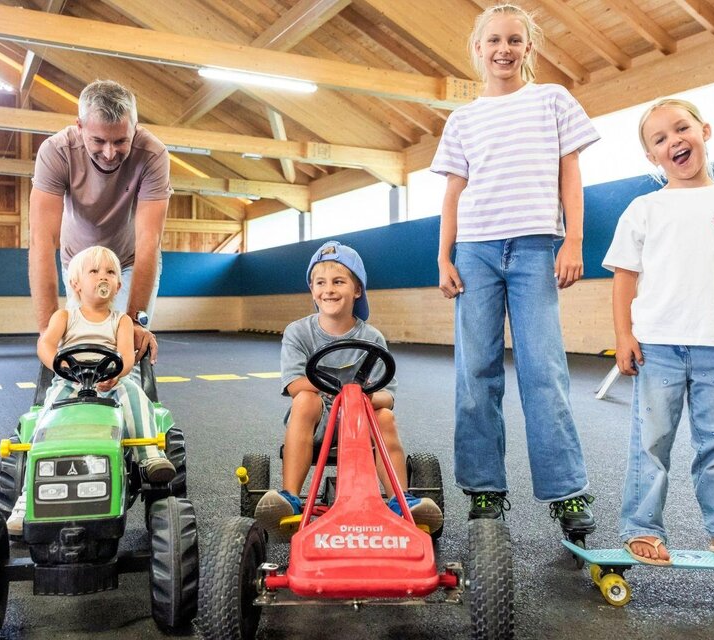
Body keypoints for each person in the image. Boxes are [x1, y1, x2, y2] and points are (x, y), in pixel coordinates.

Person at [430, 3, 598, 532]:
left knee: (543, 372)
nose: (504, 49)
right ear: (477, 50)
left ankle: (567, 492)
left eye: (514, 41)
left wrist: (572, 239)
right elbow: (453, 192)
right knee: (475, 373)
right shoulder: (463, 119)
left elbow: (571, 173)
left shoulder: (552, 100)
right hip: (475, 252)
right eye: (493, 41)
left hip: (534, 250)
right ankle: (483, 489)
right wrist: (444, 256)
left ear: (529, 47)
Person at [603, 98, 714, 567]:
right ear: (651, 157)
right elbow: (623, 276)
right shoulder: (644, 208)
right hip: (657, 345)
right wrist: (624, 335)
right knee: (651, 441)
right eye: (659, 138)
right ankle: (641, 527)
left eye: (681, 129)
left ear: (705, 130)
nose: (673, 140)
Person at [254, 241, 443, 540]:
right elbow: (293, 384)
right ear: (312, 290)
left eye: (338, 282)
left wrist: (362, 397)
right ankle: (290, 495)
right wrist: (340, 390)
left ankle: (400, 498)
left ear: (357, 290)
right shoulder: (298, 332)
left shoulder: (372, 337)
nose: (328, 290)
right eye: (320, 283)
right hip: (319, 421)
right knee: (305, 399)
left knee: (385, 418)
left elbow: (387, 397)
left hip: (362, 418)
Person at [7, 246, 176, 535]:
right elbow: (45, 345)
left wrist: (117, 374)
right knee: (43, 419)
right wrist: (59, 367)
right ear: (76, 283)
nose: (104, 277)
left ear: (118, 285)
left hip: (110, 382)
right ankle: (25, 499)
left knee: (135, 395)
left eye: (110, 272)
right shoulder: (65, 317)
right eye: (95, 271)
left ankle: (149, 456)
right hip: (69, 382)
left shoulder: (120, 320)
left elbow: (124, 354)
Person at [29, 79, 172, 365]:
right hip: (78, 263)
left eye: (120, 141)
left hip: (129, 261)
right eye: (98, 140)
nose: (109, 153)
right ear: (80, 127)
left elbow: (149, 241)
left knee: (125, 345)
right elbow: (42, 242)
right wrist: (46, 328)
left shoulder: (154, 155)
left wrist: (134, 321)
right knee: (78, 348)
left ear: (135, 127)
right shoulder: (56, 152)